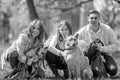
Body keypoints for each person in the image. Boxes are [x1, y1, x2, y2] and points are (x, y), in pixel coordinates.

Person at [75, 9, 119, 77]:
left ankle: (101, 68)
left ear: (99, 19)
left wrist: (102, 48)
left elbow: (116, 45)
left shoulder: (107, 29)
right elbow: (73, 42)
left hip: (104, 55)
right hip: (88, 57)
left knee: (113, 70)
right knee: (92, 45)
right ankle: (95, 69)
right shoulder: (82, 31)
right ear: (88, 19)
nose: (94, 20)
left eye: (96, 18)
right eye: (91, 18)